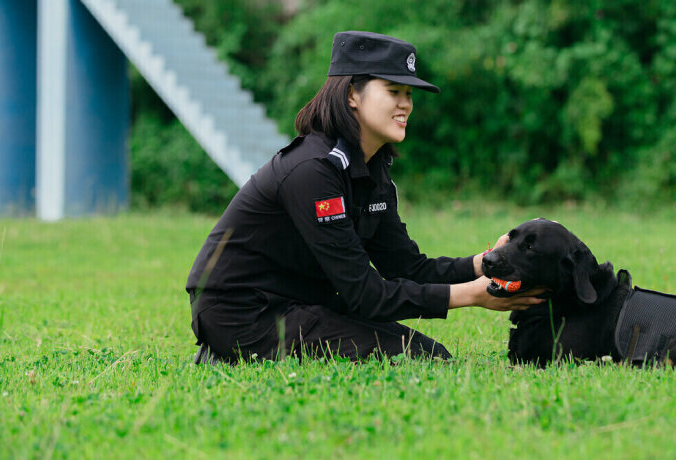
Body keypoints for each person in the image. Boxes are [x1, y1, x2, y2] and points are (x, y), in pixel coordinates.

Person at [186, 30, 544, 363]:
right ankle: (226, 352)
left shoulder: (372, 170)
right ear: (352, 94)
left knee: (425, 352)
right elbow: (364, 293)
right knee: (420, 359)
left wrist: (486, 264)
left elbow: (407, 267)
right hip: (242, 314)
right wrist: (473, 295)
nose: (406, 104)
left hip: (303, 302)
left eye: (409, 94)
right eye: (393, 91)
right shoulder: (311, 172)